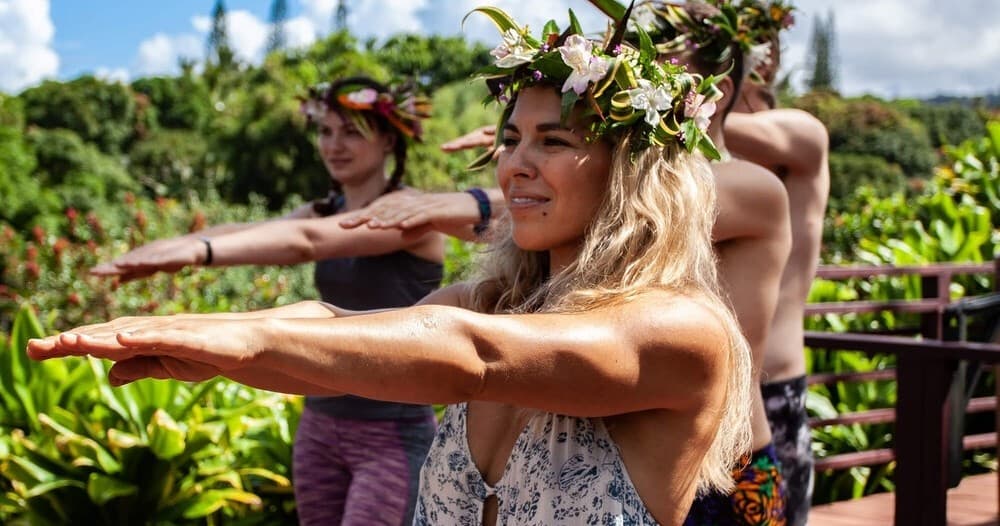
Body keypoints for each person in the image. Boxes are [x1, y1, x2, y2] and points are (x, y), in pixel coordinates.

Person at [30, 9, 754, 526]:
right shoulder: (494, 299)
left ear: (631, 171)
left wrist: (248, 339)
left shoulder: (680, 330)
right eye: (510, 138)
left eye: (552, 140)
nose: (515, 165)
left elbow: (466, 352)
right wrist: (210, 343)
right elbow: (337, 338)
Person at [346, 3, 794, 524]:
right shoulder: (574, 187)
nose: (640, 55)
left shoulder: (744, 186)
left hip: (730, 464)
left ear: (722, 78)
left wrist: (488, 188)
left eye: (672, 50)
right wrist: (538, 146)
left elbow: (632, 192)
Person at [91, 76, 445, 526]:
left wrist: (199, 252)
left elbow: (305, 242)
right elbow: (252, 232)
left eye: (351, 132)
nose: (334, 145)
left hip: (391, 431)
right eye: (325, 131)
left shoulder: (415, 215)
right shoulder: (324, 208)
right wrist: (169, 248)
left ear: (389, 140)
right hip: (320, 422)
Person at [724, 6, 830, 523]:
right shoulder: (680, 156)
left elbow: (720, 128)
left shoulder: (800, 135)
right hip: (694, 404)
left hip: (773, 400)